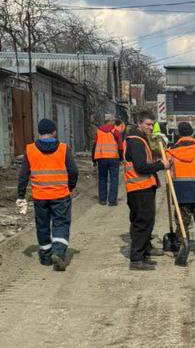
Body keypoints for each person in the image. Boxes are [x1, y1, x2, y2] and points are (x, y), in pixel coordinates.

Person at [16, 118, 79, 271]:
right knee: (61, 223)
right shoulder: (64, 149)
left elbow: (23, 175)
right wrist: (69, 187)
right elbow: (73, 171)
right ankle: (58, 252)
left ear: (39, 132)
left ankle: (45, 258)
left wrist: (21, 195)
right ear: (54, 132)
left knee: (42, 226)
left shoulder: (30, 149)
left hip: (40, 196)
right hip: (60, 195)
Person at [123, 111, 170, 271]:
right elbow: (141, 167)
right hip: (139, 189)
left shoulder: (141, 139)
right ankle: (136, 259)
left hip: (143, 187)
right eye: (148, 124)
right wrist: (161, 165)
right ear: (139, 123)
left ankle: (144, 252)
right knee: (142, 223)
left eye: (152, 124)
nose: (151, 127)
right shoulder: (136, 141)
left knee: (146, 221)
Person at [168, 122, 195, 257]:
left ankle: (182, 247)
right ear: (193, 133)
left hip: (180, 192)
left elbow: (167, 170)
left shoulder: (171, 152)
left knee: (182, 222)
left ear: (178, 134)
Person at [92, 112, 122, 206]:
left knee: (102, 178)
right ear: (110, 121)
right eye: (113, 120)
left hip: (101, 158)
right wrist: (121, 158)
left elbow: (95, 145)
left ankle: (102, 200)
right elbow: (120, 147)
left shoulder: (99, 131)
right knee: (114, 179)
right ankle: (112, 200)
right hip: (113, 158)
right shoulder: (115, 132)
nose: (114, 122)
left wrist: (93, 159)